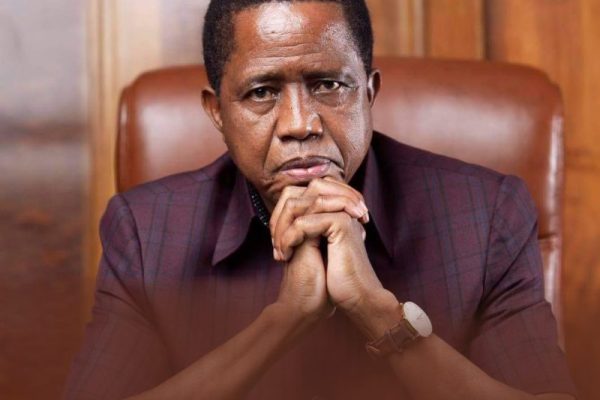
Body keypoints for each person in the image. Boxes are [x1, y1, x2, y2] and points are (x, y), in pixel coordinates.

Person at [64, 1, 577, 399]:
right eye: (262, 92)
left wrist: (378, 313)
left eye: (329, 85)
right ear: (217, 112)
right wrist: (285, 321)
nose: (300, 124)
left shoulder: (487, 215)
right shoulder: (146, 231)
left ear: (369, 94)